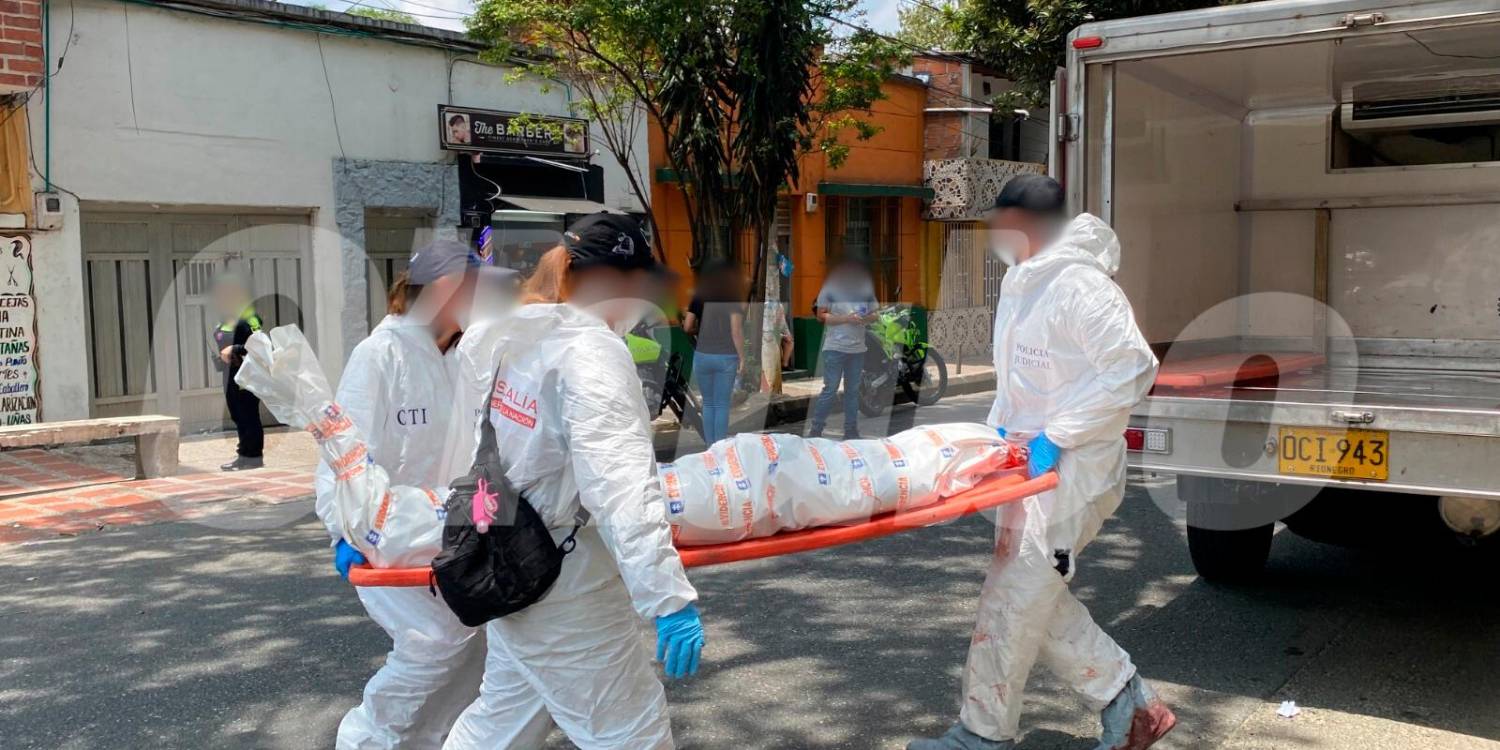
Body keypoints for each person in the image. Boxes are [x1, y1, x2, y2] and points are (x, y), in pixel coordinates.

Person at [909, 175, 1172, 750]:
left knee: (1015, 596)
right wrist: (1002, 431)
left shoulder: (1083, 286)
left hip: (1073, 468)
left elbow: (1133, 368)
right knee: (1032, 596)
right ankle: (1130, 702)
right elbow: (1025, 374)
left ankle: (982, 735)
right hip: (1027, 467)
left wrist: (1057, 434)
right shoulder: (1023, 281)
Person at [443, 213, 705, 750]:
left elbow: (483, 454)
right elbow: (620, 486)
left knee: (499, 726)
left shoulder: (513, 339)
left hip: (512, 566)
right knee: (630, 735)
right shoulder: (590, 353)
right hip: (568, 587)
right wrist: (667, 598)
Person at [318, 240, 496, 750]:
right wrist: (342, 529)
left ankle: (441, 741)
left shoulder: (468, 356)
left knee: (476, 644)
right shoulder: (380, 355)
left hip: (458, 531)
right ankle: (364, 740)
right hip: (389, 533)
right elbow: (341, 450)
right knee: (433, 642)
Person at [809, 254, 878, 439]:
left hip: (858, 349)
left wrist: (865, 318)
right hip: (835, 348)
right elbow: (821, 315)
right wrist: (846, 319)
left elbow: (875, 314)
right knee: (830, 389)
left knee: (852, 392)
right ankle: (816, 430)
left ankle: (851, 431)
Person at [682, 262, 745, 445]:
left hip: (702, 355)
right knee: (721, 404)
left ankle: (710, 447)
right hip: (726, 356)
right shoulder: (732, 299)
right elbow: (736, 331)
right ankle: (720, 448)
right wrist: (742, 357)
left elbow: (687, 327)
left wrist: (700, 331)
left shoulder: (698, 297)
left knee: (708, 404)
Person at [211, 273, 265, 471]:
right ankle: (244, 454)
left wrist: (235, 349)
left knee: (248, 414)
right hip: (229, 374)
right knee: (237, 414)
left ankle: (252, 457)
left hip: (247, 374)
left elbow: (261, 345)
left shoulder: (250, 317)